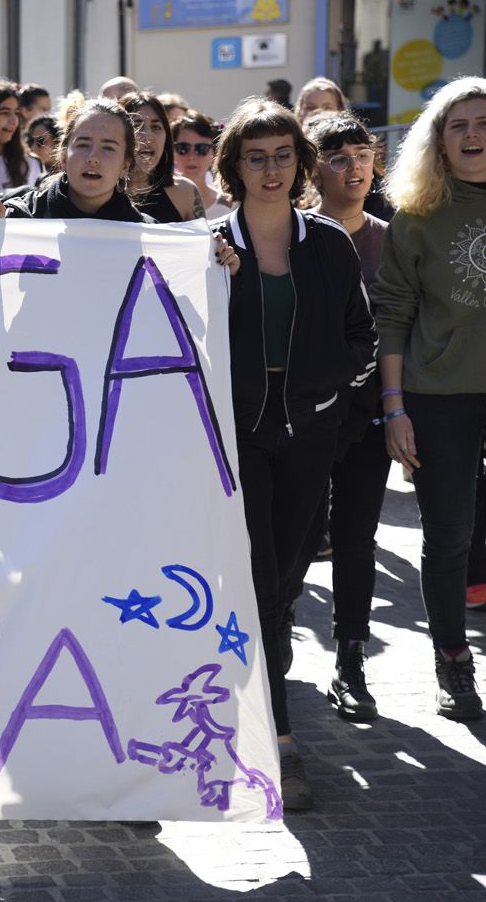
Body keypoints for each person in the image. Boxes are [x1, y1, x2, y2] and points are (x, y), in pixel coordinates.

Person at [209, 98, 376, 811]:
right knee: (258, 579)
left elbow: (363, 335)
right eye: (256, 157)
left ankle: (258, 694)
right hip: (238, 436)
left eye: (283, 155)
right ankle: (277, 739)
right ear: (234, 167)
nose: (271, 169)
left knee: (286, 576)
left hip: (309, 432)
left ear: (300, 163)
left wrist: (323, 388)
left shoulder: (329, 243)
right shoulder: (208, 244)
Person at [372, 76, 486, 722]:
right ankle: (452, 660)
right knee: (449, 535)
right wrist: (394, 408)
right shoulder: (415, 215)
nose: (472, 135)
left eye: (483, 123)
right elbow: (392, 314)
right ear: (439, 140)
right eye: (458, 124)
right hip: (439, 394)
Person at [280, 112, 388, 723]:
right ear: (313, 168)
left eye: (362, 155)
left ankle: (351, 659)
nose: (354, 169)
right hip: (301, 415)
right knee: (294, 535)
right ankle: (278, 640)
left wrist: (397, 407)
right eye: (338, 158)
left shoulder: (391, 238)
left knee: (355, 537)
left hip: (368, 417)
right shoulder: (295, 234)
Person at [3, 99, 157, 223]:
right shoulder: (17, 218)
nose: (93, 158)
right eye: (83, 145)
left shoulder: (148, 234)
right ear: (64, 157)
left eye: (108, 148)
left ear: (125, 165)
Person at [123, 92, 204, 222]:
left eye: (156, 127)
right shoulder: (100, 193)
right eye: (137, 126)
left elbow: (202, 235)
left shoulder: (184, 192)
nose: (148, 136)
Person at [171, 112, 230, 218]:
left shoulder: (229, 206)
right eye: (183, 148)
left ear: (214, 153)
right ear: (172, 151)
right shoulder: (160, 200)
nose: (191, 157)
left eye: (201, 148)